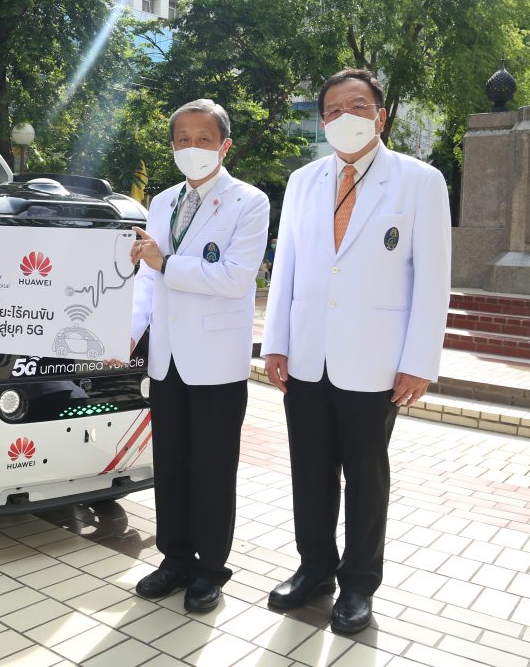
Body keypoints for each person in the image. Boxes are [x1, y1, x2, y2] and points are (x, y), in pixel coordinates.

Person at [261, 69, 451, 633]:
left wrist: (418, 361)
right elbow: (287, 266)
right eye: (333, 110)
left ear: (381, 116)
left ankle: (359, 585)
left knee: (366, 477)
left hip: (375, 361)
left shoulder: (420, 181)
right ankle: (315, 568)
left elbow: (433, 279)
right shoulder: (303, 180)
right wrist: (276, 343)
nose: (345, 117)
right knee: (309, 470)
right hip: (307, 355)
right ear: (323, 121)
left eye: (358, 106)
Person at [128, 99, 270, 613]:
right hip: (166, 358)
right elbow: (146, 279)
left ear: (224, 145)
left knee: (212, 468)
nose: (192, 148)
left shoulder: (249, 202)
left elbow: (236, 278)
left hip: (215, 361)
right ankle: (174, 558)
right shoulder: (164, 201)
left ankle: (211, 569)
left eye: (203, 139)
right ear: (172, 146)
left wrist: (167, 262)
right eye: (182, 140)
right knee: (171, 464)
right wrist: (128, 334)